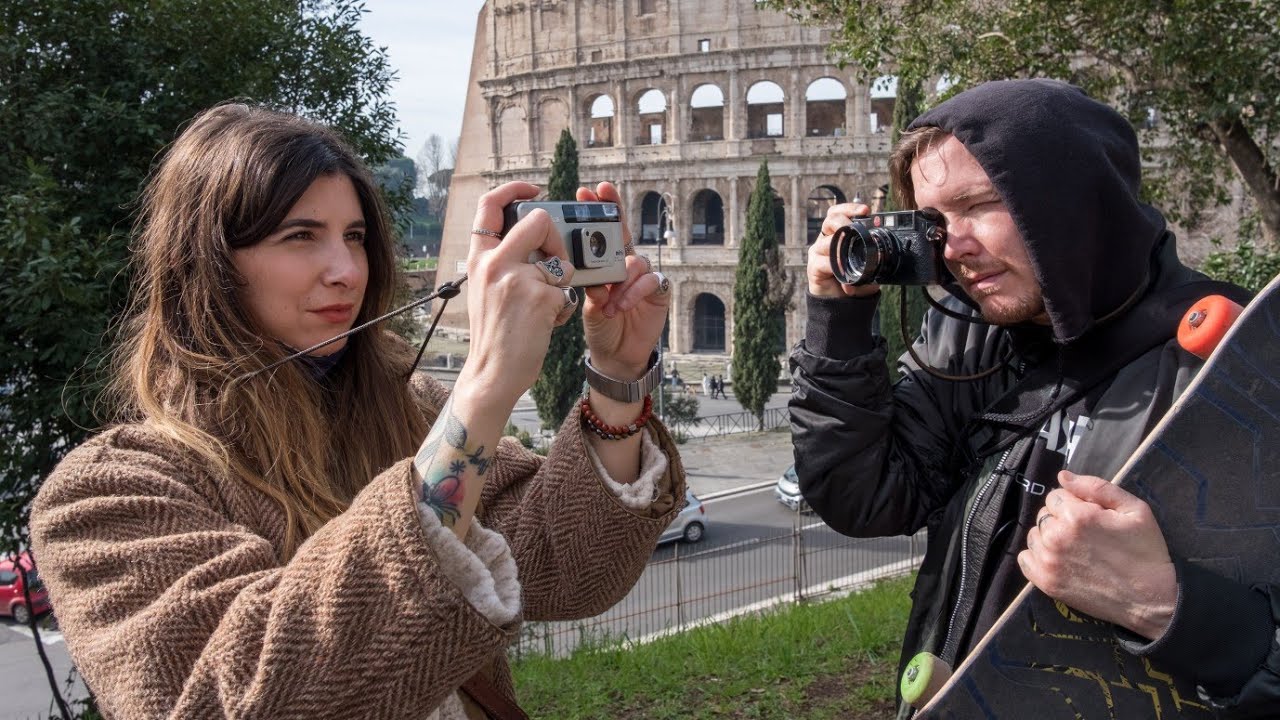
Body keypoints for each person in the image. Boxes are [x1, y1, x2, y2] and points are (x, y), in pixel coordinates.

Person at [30, 104, 686, 719]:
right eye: (300, 237)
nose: (346, 270)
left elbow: (572, 567)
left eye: (354, 236)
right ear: (200, 264)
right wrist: (484, 390)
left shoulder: (409, 413)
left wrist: (618, 378)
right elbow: (238, 696)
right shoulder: (106, 496)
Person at [789, 79, 1277, 717]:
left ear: (1072, 198)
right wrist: (838, 321)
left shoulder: (1234, 362)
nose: (953, 249)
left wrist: (1167, 604)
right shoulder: (970, 335)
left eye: (979, 204)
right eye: (934, 222)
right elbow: (869, 497)